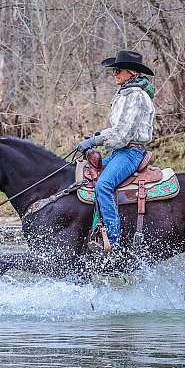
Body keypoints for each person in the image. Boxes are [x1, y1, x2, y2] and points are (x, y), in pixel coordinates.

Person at [76, 50, 156, 251]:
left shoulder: (136, 96)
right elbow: (117, 131)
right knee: (89, 178)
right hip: (121, 152)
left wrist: (97, 139)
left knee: (103, 185)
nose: (115, 74)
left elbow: (122, 135)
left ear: (131, 72)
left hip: (131, 152)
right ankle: (94, 230)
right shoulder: (125, 93)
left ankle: (112, 239)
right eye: (114, 70)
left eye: (118, 70)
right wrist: (100, 135)